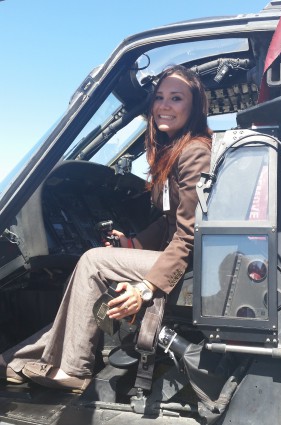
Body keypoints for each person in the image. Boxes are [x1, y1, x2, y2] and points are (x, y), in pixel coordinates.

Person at [0, 64, 212, 393]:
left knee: (94, 261)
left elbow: (188, 236)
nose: (164, 105)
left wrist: (145, 287)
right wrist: (134, 242)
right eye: (159, 98)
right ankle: (16, 360)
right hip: (177, 254)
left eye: (176, 98)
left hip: (188, 264)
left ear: (194, 107)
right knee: (83, 276)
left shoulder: (194, 152)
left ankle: (74, 369)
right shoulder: (176, 151)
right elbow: (169, 220)